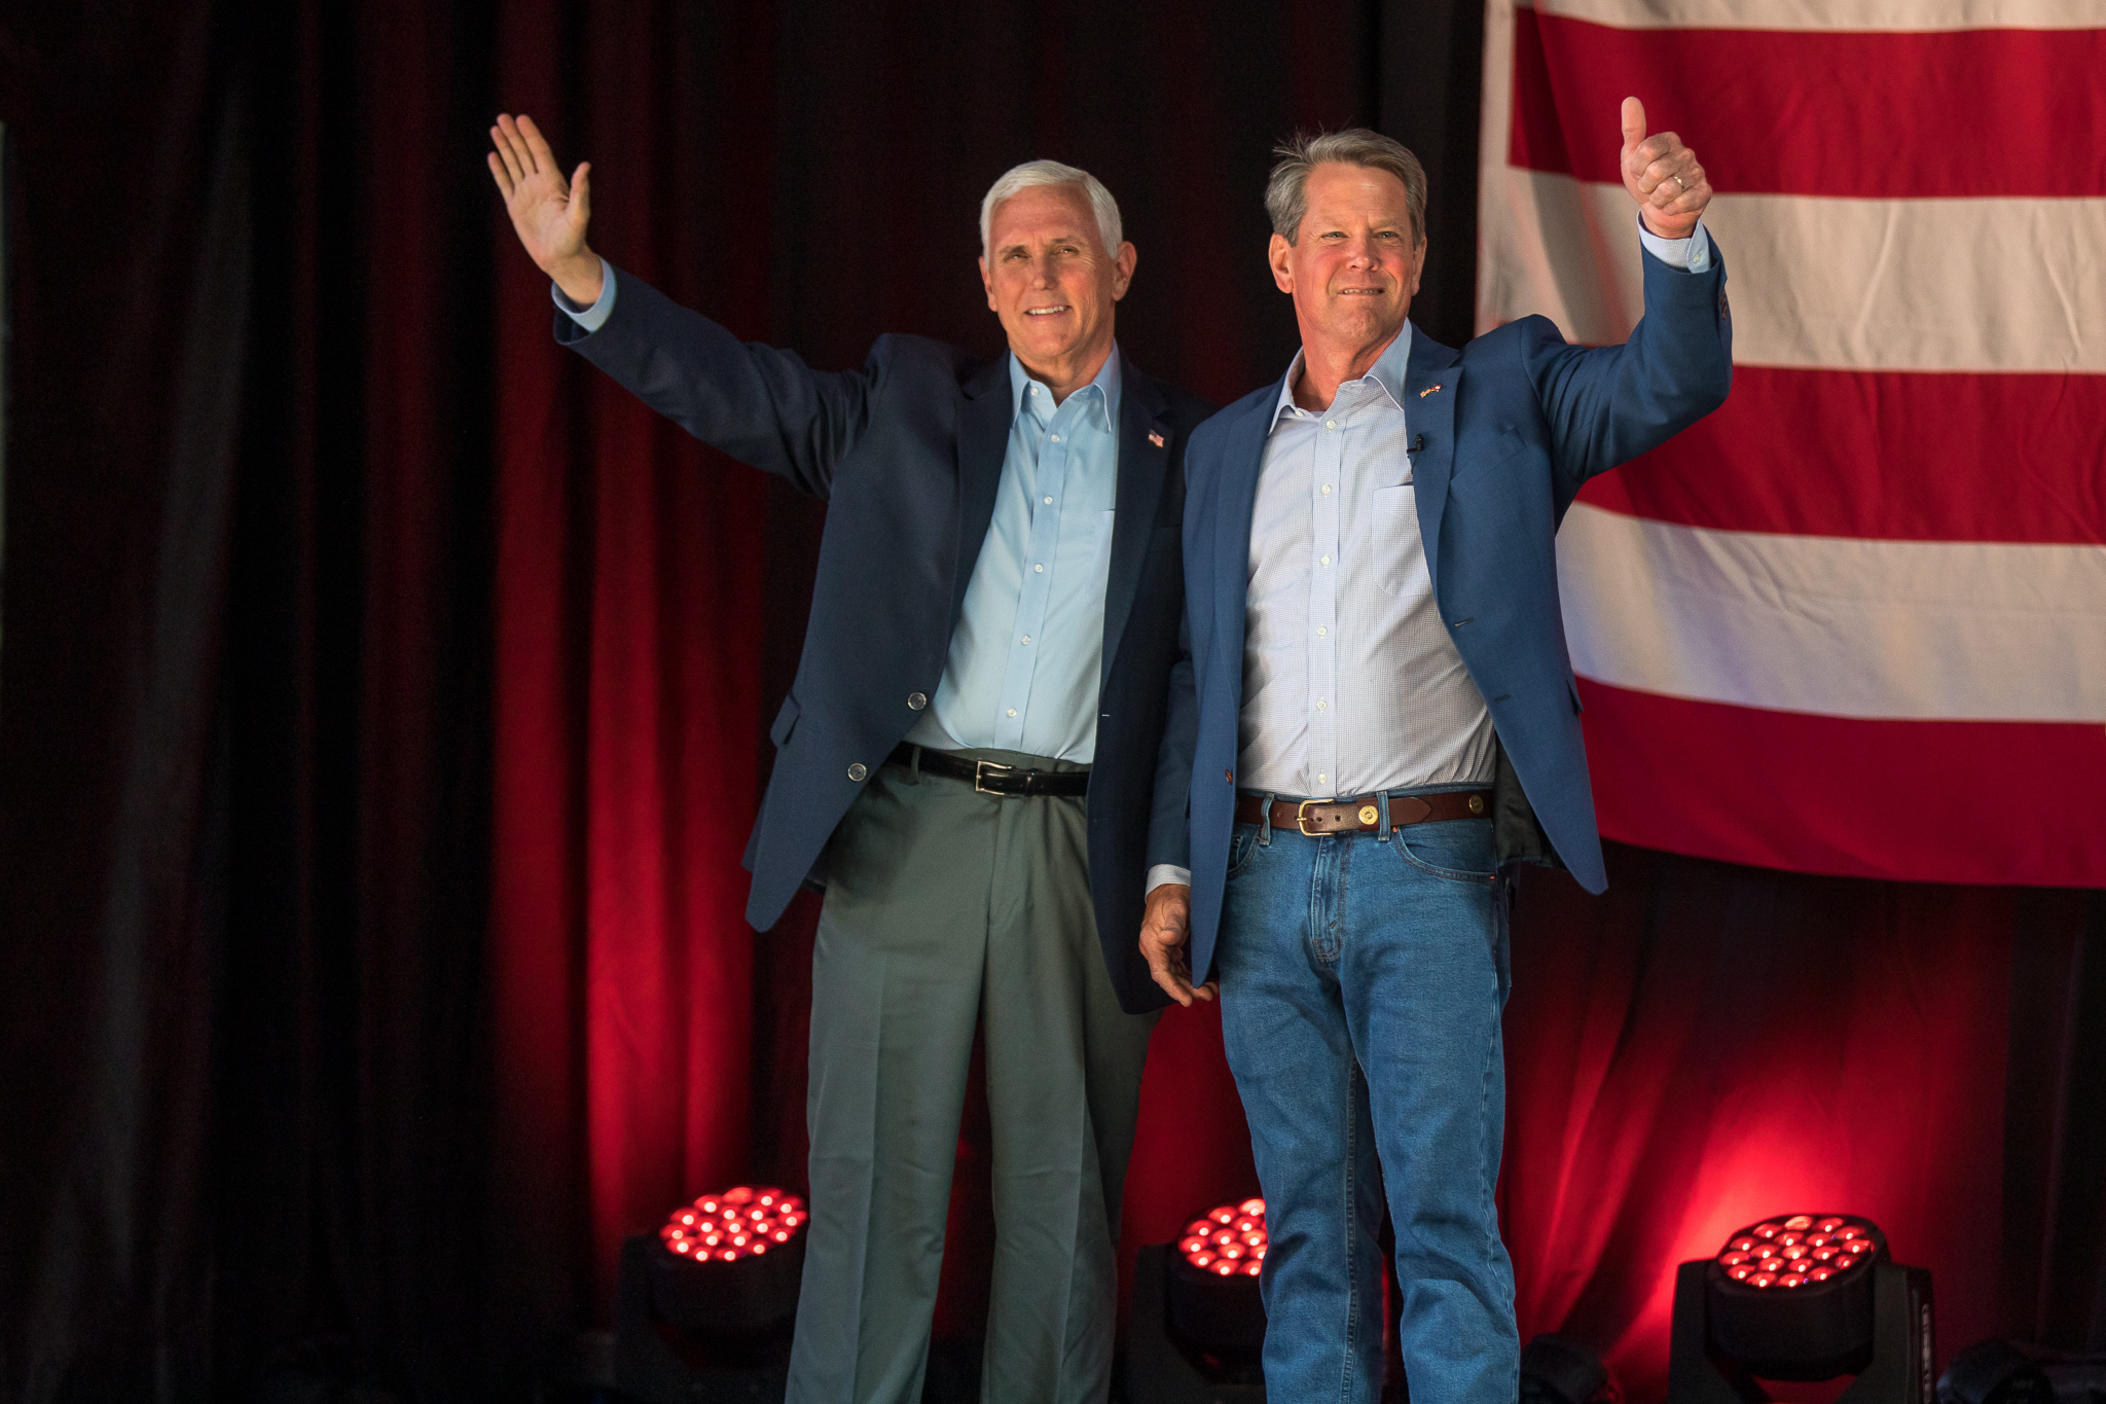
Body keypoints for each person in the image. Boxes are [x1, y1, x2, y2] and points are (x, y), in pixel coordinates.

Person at [487, 115, 1211, 1404]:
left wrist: (1169, 864)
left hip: (1080, 847)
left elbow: (1199, 681)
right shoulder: (907, 398)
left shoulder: (1195, 448)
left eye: (1067, 251)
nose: (1042, 277)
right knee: (875, 1194)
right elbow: (743, 393)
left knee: (1069, 1198)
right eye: (1015, 255)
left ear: (1122, 266)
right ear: (985, 283)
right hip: (910, 835)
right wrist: (584, 282)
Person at [1135, 101, 1732, 1401]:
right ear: (1281, 260)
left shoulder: (1505, 389)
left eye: (1387, 236)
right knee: (1309, 1242)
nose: (1361, 257)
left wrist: (1671, 239)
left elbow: (1667, 383)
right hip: (1260, 879)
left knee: (1446, 1233)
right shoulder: (1226, 446)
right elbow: (1194, 674)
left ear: (1417, 257)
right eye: (1332, 235)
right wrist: (1169, 874)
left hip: (1430, 870)